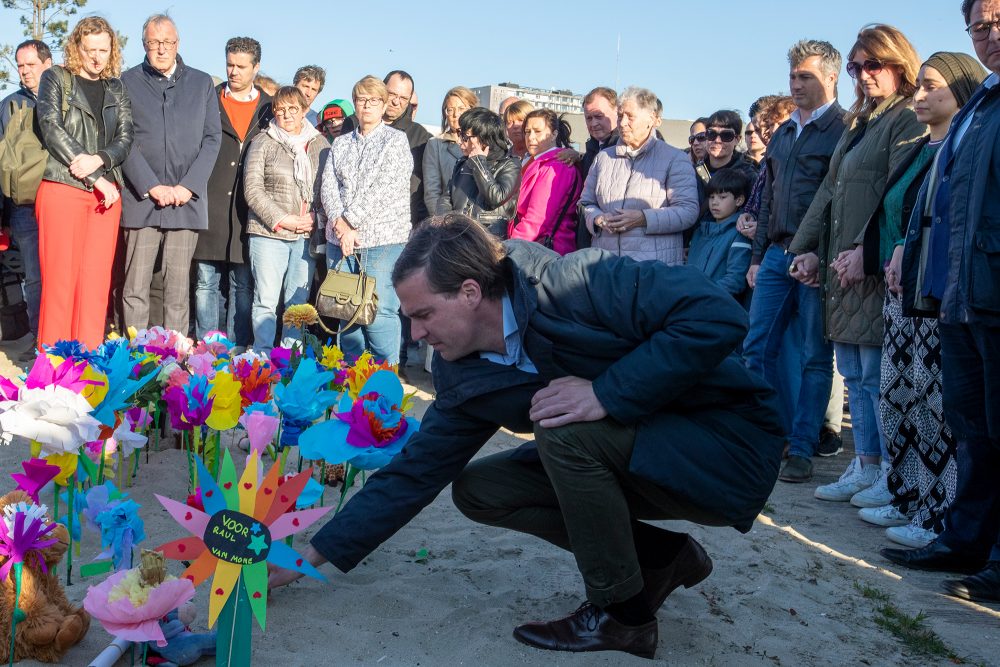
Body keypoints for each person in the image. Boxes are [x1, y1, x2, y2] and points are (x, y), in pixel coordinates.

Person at [269, 214, 784, 660]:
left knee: (563, 427)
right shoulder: (463, 373)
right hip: (643, 458)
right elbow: (413, 474)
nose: (416, 335)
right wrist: (309, 557)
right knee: (480, 489)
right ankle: (659, 559)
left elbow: (718, 315)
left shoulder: (577, 283)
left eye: (424, 315)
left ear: (471, 292)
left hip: (726, 446)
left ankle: (625, 617)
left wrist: (608, 392)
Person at [881, 0, 1000, 605]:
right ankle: (967, 541)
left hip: (994, 289)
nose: (991, 34)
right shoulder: (981, 106)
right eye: (980, 25)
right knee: (973, 427)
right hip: (961, 294)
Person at [789, 24, 926, 500]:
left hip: (871, 267)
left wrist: (866, 256)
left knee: (875, 375)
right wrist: (804, 248)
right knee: (852, 372)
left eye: (874, 64)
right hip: (841, 265)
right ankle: (865, 465)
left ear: (898, 63)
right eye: (856, 67)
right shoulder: (861, 119)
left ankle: (891, 471)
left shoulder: (907, 116)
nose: (864, 75)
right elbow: (830, 189)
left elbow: (897, 195)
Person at [855, 52, 984, 548]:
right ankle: (908, 492)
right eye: (920, 87)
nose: (920, 95)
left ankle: (938, 508)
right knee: (898, 397)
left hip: (937, 297)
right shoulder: (921, 150)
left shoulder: (959, 148)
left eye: (932, 86)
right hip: (902, 294)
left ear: (962, 89)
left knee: (935, 406)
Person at [742, 40, 846, 483]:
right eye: (793, 76)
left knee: (813, 356)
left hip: (816, 260)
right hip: (775, 255)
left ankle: (803, 445)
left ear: (831, 77)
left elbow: (842, 203)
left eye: (806, 76)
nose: (797, 84)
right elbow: (767, 201)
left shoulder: (844, 128)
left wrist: (820, 256)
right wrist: (758, 253)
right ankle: (772, 435)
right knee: (756, 346)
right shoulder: (784, 133)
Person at [33, 16, 133, 349]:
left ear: (112, 51)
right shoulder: (56, 78)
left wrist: (101, 160)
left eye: (103, 50)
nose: (96, 57)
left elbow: (125, 136)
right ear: (77, 47)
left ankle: (88, 365)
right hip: (63, 189)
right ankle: (51, 368)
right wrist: (94, 176)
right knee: (61, 284)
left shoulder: (116, 87)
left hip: (106, 198)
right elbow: (50, 126)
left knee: (95, 285)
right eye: (90, 49)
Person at [119, 14, 221, 339]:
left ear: (178, 44)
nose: (161, 49)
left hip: (185, 203)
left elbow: (211, 139)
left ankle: (174, 360)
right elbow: (124, 140)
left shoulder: (202, 83)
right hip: (140, 200)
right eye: (154, 43)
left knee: (177, 290)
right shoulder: (126, 82)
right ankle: (136, 360)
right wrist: (150, 186)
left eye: (167, 43)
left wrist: (187, 187)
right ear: (144, 45)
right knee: (135, 286)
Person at [320, 75, 411, 364]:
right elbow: (328, 185)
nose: (367, 105)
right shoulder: (341, 143)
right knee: (344, 311)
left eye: (374, 100)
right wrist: (338, 222)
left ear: (384, 105)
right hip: (340, 240)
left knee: (379, 312)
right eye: (361, 99)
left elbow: (385, 188)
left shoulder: (396, 141)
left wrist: (349, 221)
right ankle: (352, 375)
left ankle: (385, 377)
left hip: (382, 240)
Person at [197, 37, 271, 345]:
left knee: (243, 283)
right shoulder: (208, 99)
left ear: (256, 67)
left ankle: (238, 346)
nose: (234, 72)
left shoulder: (269, 107)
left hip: (247, 208)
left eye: (241, 66)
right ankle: (208, 347)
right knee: (205, 281)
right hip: (209, 204)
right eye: (229, 64)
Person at [244, 86, 329, 352]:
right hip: (269, 233)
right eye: (280, 109)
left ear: (305, 110)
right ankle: (262, 356)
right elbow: (253, 190)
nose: (286, 115)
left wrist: (317, 217)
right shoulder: (263, 141)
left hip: (306, 234)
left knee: (298, 304)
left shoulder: (320, 144)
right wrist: (284, 219)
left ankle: (289, 359)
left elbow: (329, 188)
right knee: (266, 300)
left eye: (293, 109)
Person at [581, 86, 699, 265]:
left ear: (651, 119)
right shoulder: (603, 158)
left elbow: (688, 211)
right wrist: (597, 218)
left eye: (630, 116)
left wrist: (643, 218)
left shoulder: (675, 159)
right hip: (606, 266)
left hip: (653, 269)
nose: (622, 123)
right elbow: (585, 203)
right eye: (620, 116)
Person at [0, 39, 52, 345]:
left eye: (30, 65)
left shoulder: (66, 99)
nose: (24, 72)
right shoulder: (8, 106)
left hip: (61, 200)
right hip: (24, 206)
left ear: (48, 63)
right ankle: (40, 339)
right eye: (20, 66)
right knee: (34, 276)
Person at [507, 109, 581, 254]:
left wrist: (507, 248)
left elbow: (537, 220)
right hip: (535, 248)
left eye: (537, 131)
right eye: (527, 132)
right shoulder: (539, 162)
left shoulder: (555, 166)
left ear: (554, 134)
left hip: (544, 252)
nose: (531, 137)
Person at [447, 107, 520, 238]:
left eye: (464, 137)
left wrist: (479, 163)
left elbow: (495, 198)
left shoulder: (510, 164)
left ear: (483, 139)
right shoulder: (463, 162)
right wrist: (444, 225)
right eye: (459, 134)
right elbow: (447, 197)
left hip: (489, 241)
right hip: (458, 237)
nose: (459, 141)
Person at [687, 169, 752, 300]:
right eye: (711, 197)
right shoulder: (700, 232)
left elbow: (735, 281)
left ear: (739, 200)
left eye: (722, 197)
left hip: (718, 306)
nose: (715, 202)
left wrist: (701, 293)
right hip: (691, 302)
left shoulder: (740, 233)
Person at [424, 86, 478, 217]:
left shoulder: (484, 142)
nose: (455, 115)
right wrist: (443, 225)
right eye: (450, 110)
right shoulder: (435, 144)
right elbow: (432, 192)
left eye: (461, 109)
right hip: (448, 221)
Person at [694, 110, 759, 193]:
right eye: (711, 134)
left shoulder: (749, 176)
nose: (717, 140)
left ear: (737, 140)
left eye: (726, 135)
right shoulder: (692, 172)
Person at [580, 86, 619, 174]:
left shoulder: (627, 148)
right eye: (589, 118)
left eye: (598, 116)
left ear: (617, 112)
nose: (593, 124)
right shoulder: (590, 151)